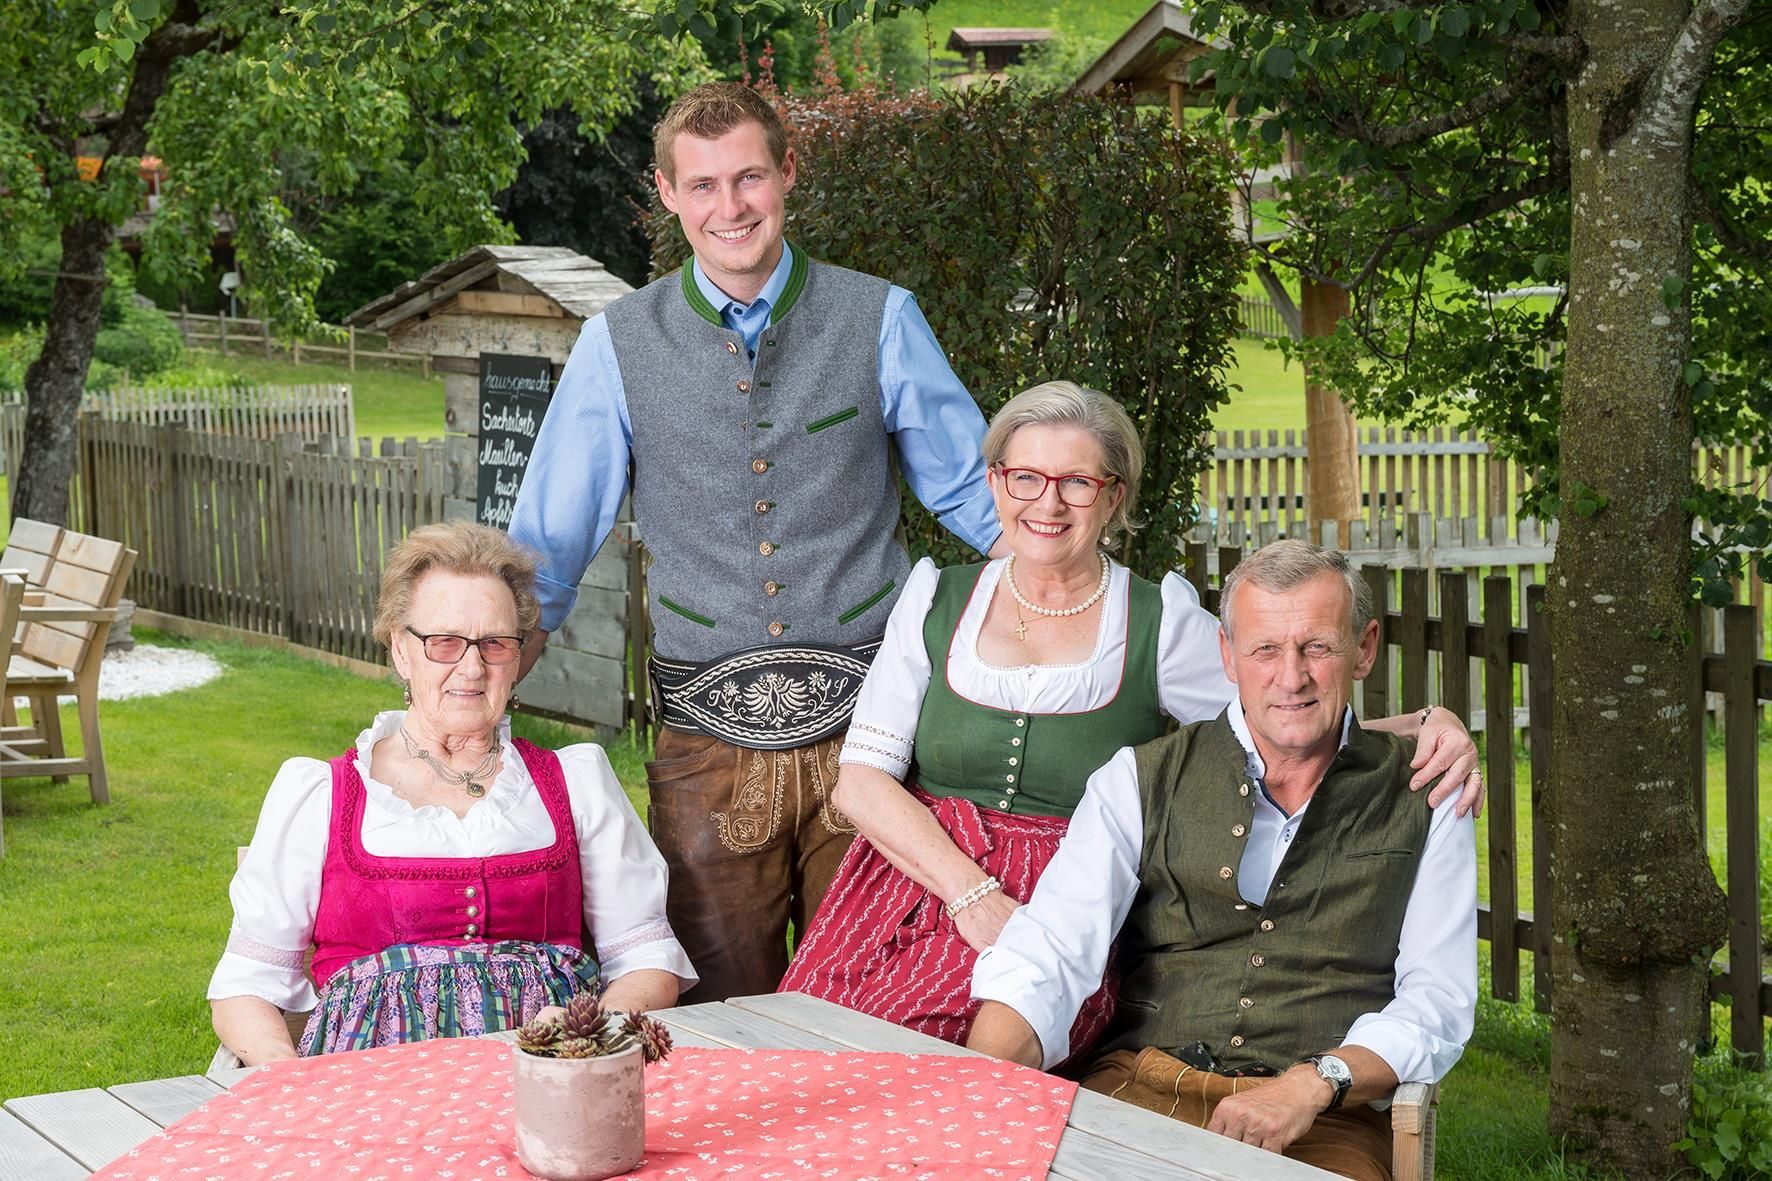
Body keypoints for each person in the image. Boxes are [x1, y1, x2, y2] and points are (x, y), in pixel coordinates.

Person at [780, 385, 1480, 1058]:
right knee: (807, 1050)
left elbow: (1283, 710)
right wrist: (971, 894)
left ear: (1113, 496)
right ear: (995, 484)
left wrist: (1424, 723)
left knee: (929, 1059)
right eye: (1025, 477)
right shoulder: (937, 596)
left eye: (1077, 482)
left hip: (1065, 901)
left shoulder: (1157, 620)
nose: (1047, 502)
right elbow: (861, 782)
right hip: (911, 884)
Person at [508, 82, 1003, 1003]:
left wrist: (1087, 605)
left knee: (873, 1008)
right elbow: (548, 542)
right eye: (702, 185)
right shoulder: (616, 344)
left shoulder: (880, 318)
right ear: (667, 193)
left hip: (877, 737)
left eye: (748, 178)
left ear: (787, 173)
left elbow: (981, 499)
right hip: (705, 745)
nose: (728, 207)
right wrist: (481, 678)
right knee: (713, 1016)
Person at [966, 539, 1478, 1181]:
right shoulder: (1140, 778)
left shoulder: (1428, 791)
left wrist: (1314, 1083)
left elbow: (1438, 1001)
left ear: (1364, 649)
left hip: (1325, 1116)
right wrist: (976, 1088)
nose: (1290, 677)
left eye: (1316, 647)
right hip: (1143, 1088)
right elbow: (1051, 953)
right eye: (1264, 649)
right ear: (1227, 656)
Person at [208, 523, 695, 1064]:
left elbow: (645, 959)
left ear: (517, 656)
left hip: (547, 1081)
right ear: (400, 649)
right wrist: (295, 1084)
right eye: (443, 643)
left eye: (495, 643)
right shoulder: (322, 795)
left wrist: (593, 1029)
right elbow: (245, 986)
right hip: (371, 1099)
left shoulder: (575, 782)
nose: (471, 666)